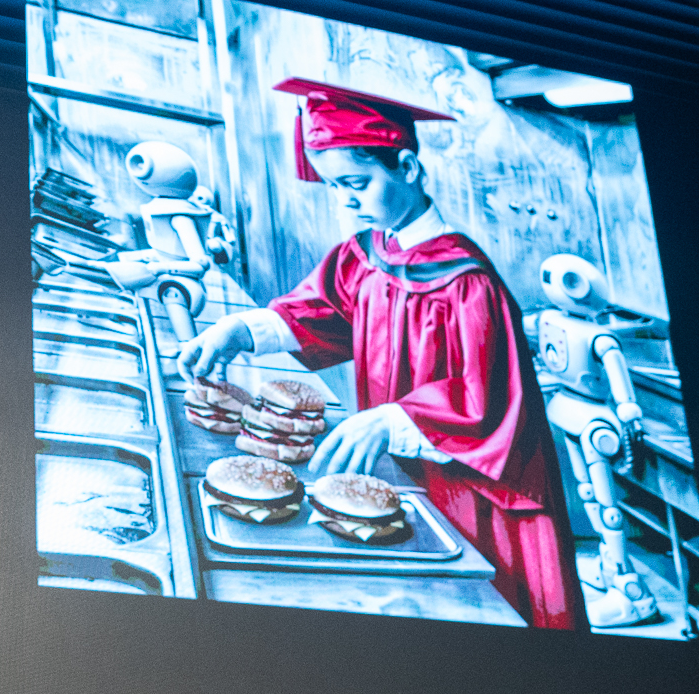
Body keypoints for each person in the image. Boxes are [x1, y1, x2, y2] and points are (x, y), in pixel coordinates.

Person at [178, 77, 586, 631]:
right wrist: (240, 330)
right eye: (334, 187)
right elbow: (318, 311)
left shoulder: (466, 281)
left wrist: (392, 420)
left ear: (409, 169)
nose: (346, 199)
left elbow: (483, 404)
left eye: (357, 182)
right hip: (410, 472)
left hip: (479, 487)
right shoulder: (367, 255)